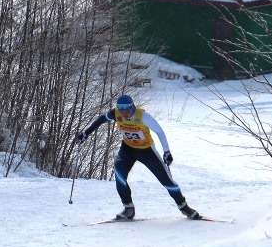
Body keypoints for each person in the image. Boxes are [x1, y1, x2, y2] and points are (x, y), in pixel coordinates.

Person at [73, 94, 202, 221]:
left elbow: (160, 132)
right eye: (121, 111)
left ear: (133, 108)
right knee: (119, 173)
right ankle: (128, 208)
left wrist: (167, 152)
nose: (124, 114)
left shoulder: (143, 116)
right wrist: (86, 133)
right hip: (127, 149)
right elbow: (101, 119)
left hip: (146, 152)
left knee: (166, 180)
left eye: (127, 111)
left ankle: (184, 206)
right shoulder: (116, 113)